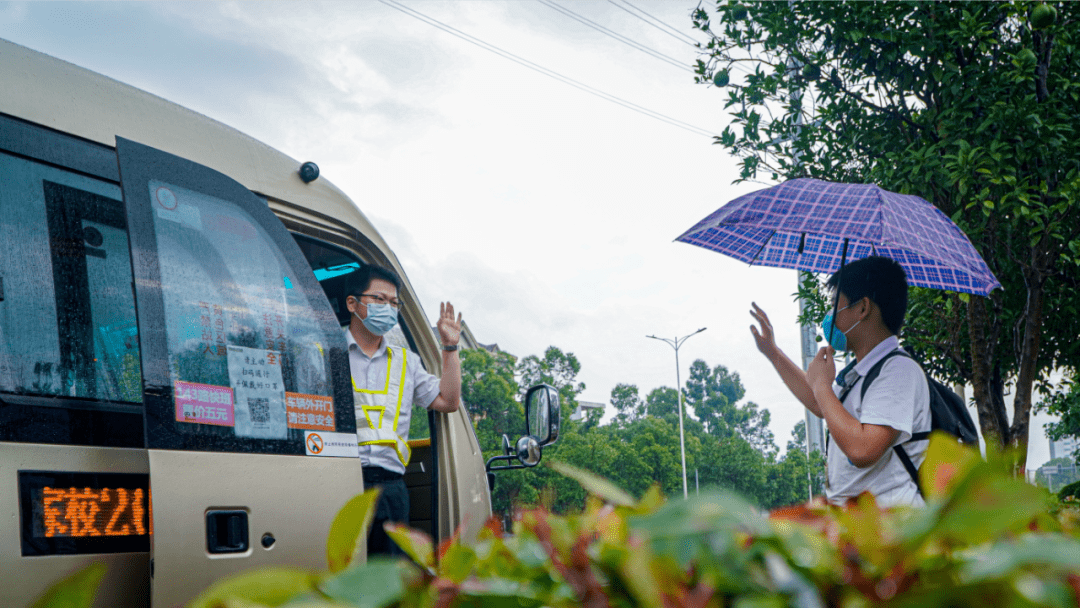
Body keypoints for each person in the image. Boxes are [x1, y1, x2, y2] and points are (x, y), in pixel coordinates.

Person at [749, 256, 930, 507]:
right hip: (864, 526)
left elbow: (863, 449)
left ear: (863, 308)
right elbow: (820, 403)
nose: (830, 316)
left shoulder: (898, 370)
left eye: (835, 305)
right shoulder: (862, 372)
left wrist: (823, 386)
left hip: (891, 529)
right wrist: (773, 352)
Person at [344, 263, 462, 554]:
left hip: (391, 488)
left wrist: (450, 348)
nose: (388, 308)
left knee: (387, 581)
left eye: (394, 303)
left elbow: (448, 401)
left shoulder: (407, 361)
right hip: (342, 481)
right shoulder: (326, 352)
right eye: (379, 300)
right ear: (352, 303)